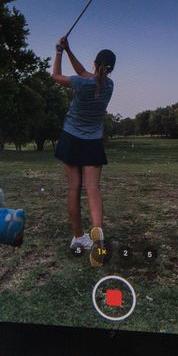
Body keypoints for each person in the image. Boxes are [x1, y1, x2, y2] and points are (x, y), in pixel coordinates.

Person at [52, 36, 116, 267]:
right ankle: (98, 240)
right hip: (92, 142)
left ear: (95, 64)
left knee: (74, 188)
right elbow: (85, 72)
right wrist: (69, 49)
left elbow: (56, 77)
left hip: (71, 138)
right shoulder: (109, 85)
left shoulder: (81, 84)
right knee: (93, 190)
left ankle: (78, 238)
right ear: (109, 69)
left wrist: (58, 53)